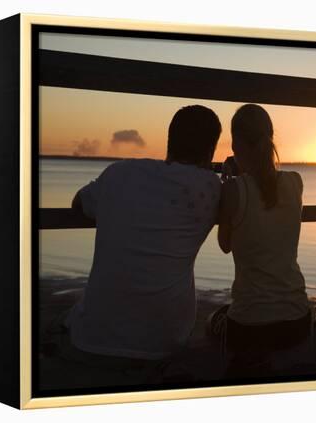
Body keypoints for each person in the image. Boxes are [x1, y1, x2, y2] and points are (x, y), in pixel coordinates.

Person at [62, 105, 222, 380]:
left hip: (91, 339)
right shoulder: (212, 188)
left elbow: (79, 203)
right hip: (166, 342)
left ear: (170, 140)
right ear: (211, 150)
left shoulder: (119, 173)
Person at [210, 103, 311, 377]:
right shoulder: (295, 182)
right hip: (298, 320)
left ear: (236, 144)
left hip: (251, 326)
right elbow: (263, 189)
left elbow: (225, 245)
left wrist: (232, 182)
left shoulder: (233, 189)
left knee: (214, 323)